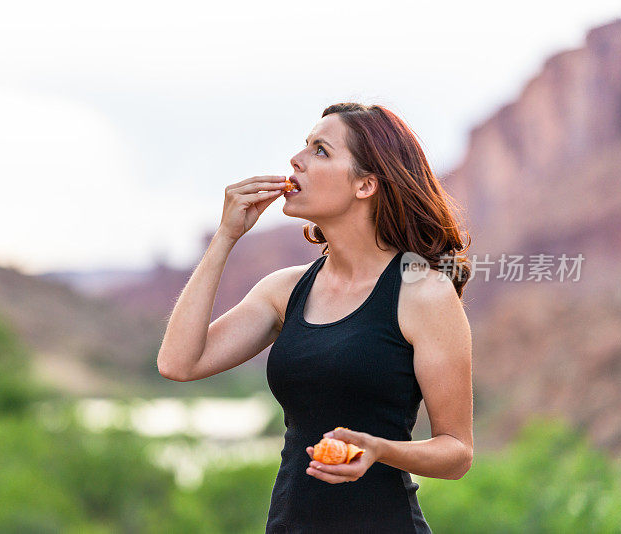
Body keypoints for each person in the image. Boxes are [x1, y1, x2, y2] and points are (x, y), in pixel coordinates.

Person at [156, 102, 474, 533]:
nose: (296, 159)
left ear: (365, 185)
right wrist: (226, 236)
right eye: (304, 145)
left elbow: (456, 452)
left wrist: (379, 449)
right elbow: (178, 363)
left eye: (321, 151)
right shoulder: (285, 291)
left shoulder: (423, 293)